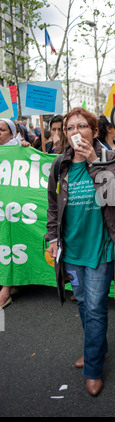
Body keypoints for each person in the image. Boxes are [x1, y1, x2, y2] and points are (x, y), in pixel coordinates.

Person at [45, 107, 115, 396]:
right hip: (71, 252)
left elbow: (111, 196)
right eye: (70, 128)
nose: (76, 132)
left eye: (82, 126)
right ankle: (94, 348)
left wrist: (94, 161)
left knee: (95, 308)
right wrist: (53, 237)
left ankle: (93, 367)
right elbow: (54, 206)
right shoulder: (60, 165)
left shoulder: (108, 159)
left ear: (94, 132)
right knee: (83, 302)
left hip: (100, 250)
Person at [0, 119, 29, 308]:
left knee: (8, 244)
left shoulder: (20, 150)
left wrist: (25, 148)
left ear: (12, 134)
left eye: (1, 130)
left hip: (12, 209)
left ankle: (6, 289)